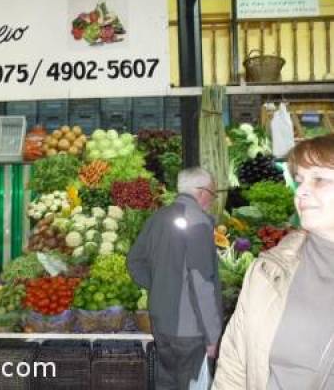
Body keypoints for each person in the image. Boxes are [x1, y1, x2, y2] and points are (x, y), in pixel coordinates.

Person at [213, 134, 334, 390]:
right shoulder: (267, 271)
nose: (301, 191)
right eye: (300, 180)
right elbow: (233, 367)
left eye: (319, 180)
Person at [128, 167, 223, 390]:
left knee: (166, 383)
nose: (212, 198)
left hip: (161, 321)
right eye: (212, 192)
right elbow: (202, 285)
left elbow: (134, 261)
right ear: (201, 192)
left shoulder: (157, 218)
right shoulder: (198, 222)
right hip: (190, 331)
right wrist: (213, 337)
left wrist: (161, 286)